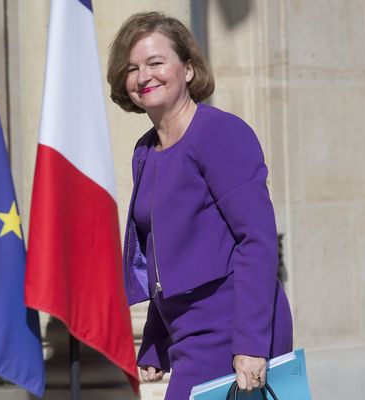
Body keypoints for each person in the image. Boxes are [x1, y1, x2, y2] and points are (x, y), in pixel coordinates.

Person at [107, 12, 293, 399]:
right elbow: (163, 253)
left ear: (188, 69)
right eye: (132, 68)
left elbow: (256, 239)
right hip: (186, 331)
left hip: (231, 325)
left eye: (156, 62)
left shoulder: (220, 133)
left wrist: (250, 344)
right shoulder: (145, 150)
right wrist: (156, 339)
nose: (144, 76)